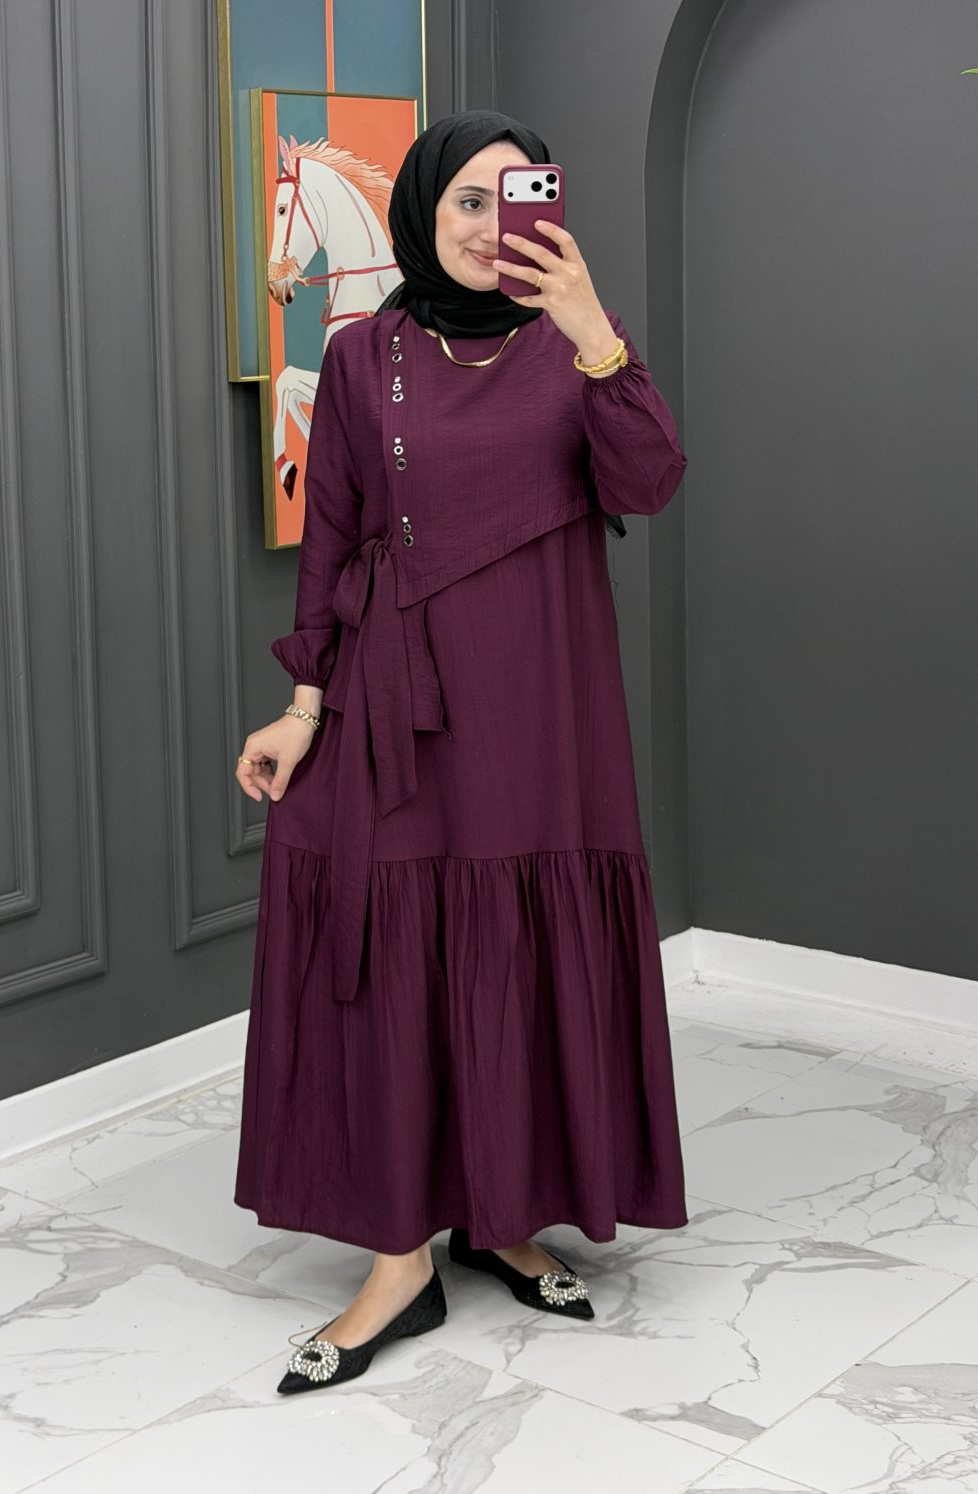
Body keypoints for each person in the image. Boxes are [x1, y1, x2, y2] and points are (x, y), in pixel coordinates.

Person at [233, 110, 690, 1396]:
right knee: (395, 947)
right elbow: (331, 545)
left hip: (544, 702)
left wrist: (596, 335)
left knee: (521, 948)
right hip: (399, 702)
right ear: (422, 212)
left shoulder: (577, 345)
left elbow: (650, 482)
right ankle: (401, 1259)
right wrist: (301, 708)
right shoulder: (361, 352)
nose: (495, 228)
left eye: (517, 197)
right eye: (468, 203)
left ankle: (502, 1216)